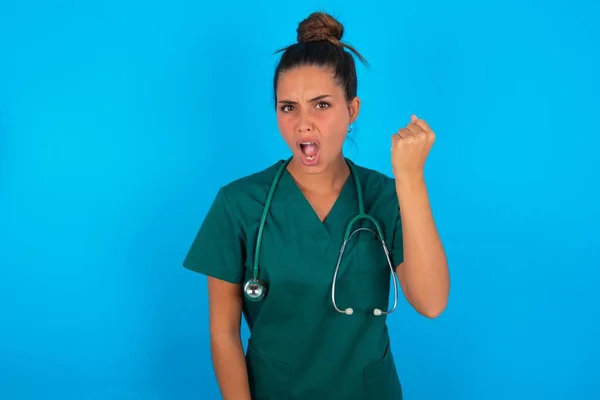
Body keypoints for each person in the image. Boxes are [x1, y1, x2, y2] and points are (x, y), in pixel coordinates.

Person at [182, 11, 450, 400]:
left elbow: (431, 302)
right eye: (288, 107)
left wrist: (410, 179)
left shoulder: (388, 196)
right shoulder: (238, 204)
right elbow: (223, 333)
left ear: (352, 110)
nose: (303, 124)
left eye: (321, 105)